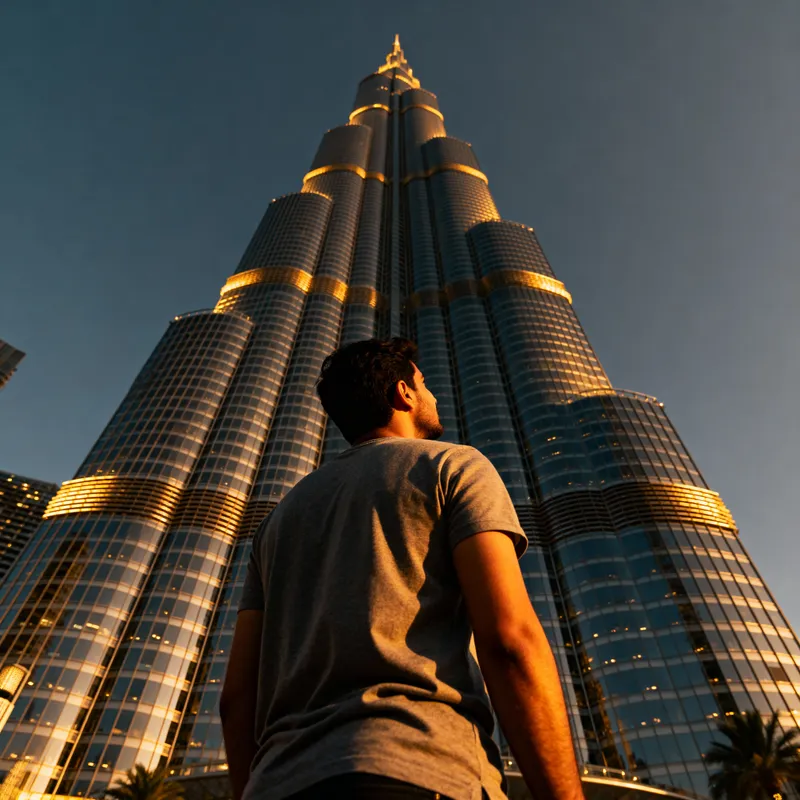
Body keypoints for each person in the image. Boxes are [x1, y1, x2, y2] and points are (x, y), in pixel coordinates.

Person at [220, 338, 584, 800]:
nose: (433, 395)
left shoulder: (278, 520)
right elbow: (510, 642)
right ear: (403, 393)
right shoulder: (453, 466)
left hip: (278, 783)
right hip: (420, 768)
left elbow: (236, 700)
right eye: (424, 384)